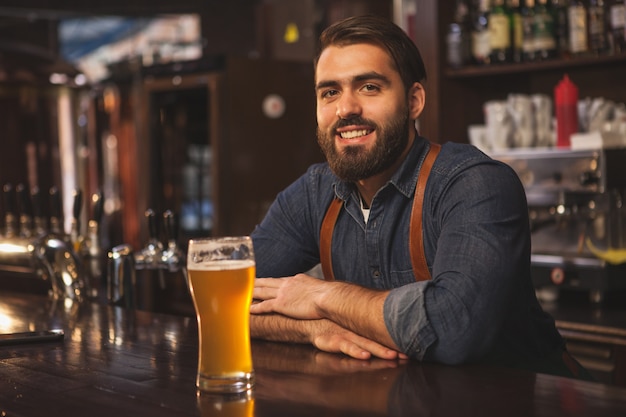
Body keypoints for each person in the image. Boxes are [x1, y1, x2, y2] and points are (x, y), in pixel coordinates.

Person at [249, 14, 589, 379]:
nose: (345, 108)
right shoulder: (314, 193)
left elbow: (454, 328)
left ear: (414, 101)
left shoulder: (475, 184)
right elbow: (221, 300)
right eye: (330, 92)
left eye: (369, 87)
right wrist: (313, 328)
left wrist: (320, 297)